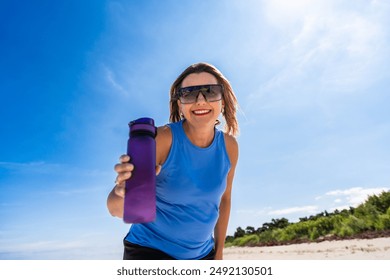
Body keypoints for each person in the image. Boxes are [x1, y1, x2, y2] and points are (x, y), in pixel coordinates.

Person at [107, 62, 239, 260]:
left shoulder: (230, 146)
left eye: (210, 91)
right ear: (180, 104)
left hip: (203, 254)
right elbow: (115, 209)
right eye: (189, 93)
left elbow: (225, 200)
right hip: (150, 251)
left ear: (222, 100)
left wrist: (218, 252)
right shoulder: (163, 139)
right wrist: (123, 192)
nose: (200, 100)